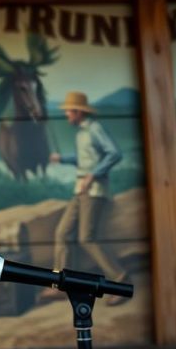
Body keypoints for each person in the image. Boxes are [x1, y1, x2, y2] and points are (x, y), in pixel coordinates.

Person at [39, 91, 131, 306]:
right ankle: (61, 285)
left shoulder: (95, 128)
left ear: (79, 112)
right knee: (62, 233)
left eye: (69, 111)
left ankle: (121, 280)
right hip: (80, 189)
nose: (66, 115)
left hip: (94, 190)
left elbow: (115, 153)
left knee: (86, 238)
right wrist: (61, 159)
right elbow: (83, 159)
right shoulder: (81, 133)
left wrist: (94, 174)